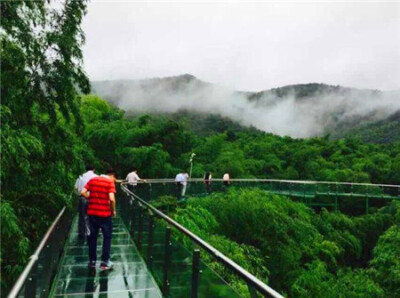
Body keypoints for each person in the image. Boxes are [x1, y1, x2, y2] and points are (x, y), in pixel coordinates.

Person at [81, 169, 117, 270]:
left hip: (92, 214)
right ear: (112, 176)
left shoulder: (93, 180)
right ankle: (104, 263)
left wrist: (90, 199)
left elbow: (82, 192)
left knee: (92, 237)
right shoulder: (109, 182)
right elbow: (112, 199)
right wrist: (113, 211)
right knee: (107, 237)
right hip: (105, 214)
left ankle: (92, 261)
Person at [74, 165, 97, 239]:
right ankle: (92, 232)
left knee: (82, 216)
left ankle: (82, 233)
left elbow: (76, 188)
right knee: (93, 216)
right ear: (94, 169)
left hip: (83, 198)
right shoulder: (96, 177)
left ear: (86, 170)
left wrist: (79, 194)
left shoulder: (80, 177)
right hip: (94, 199)